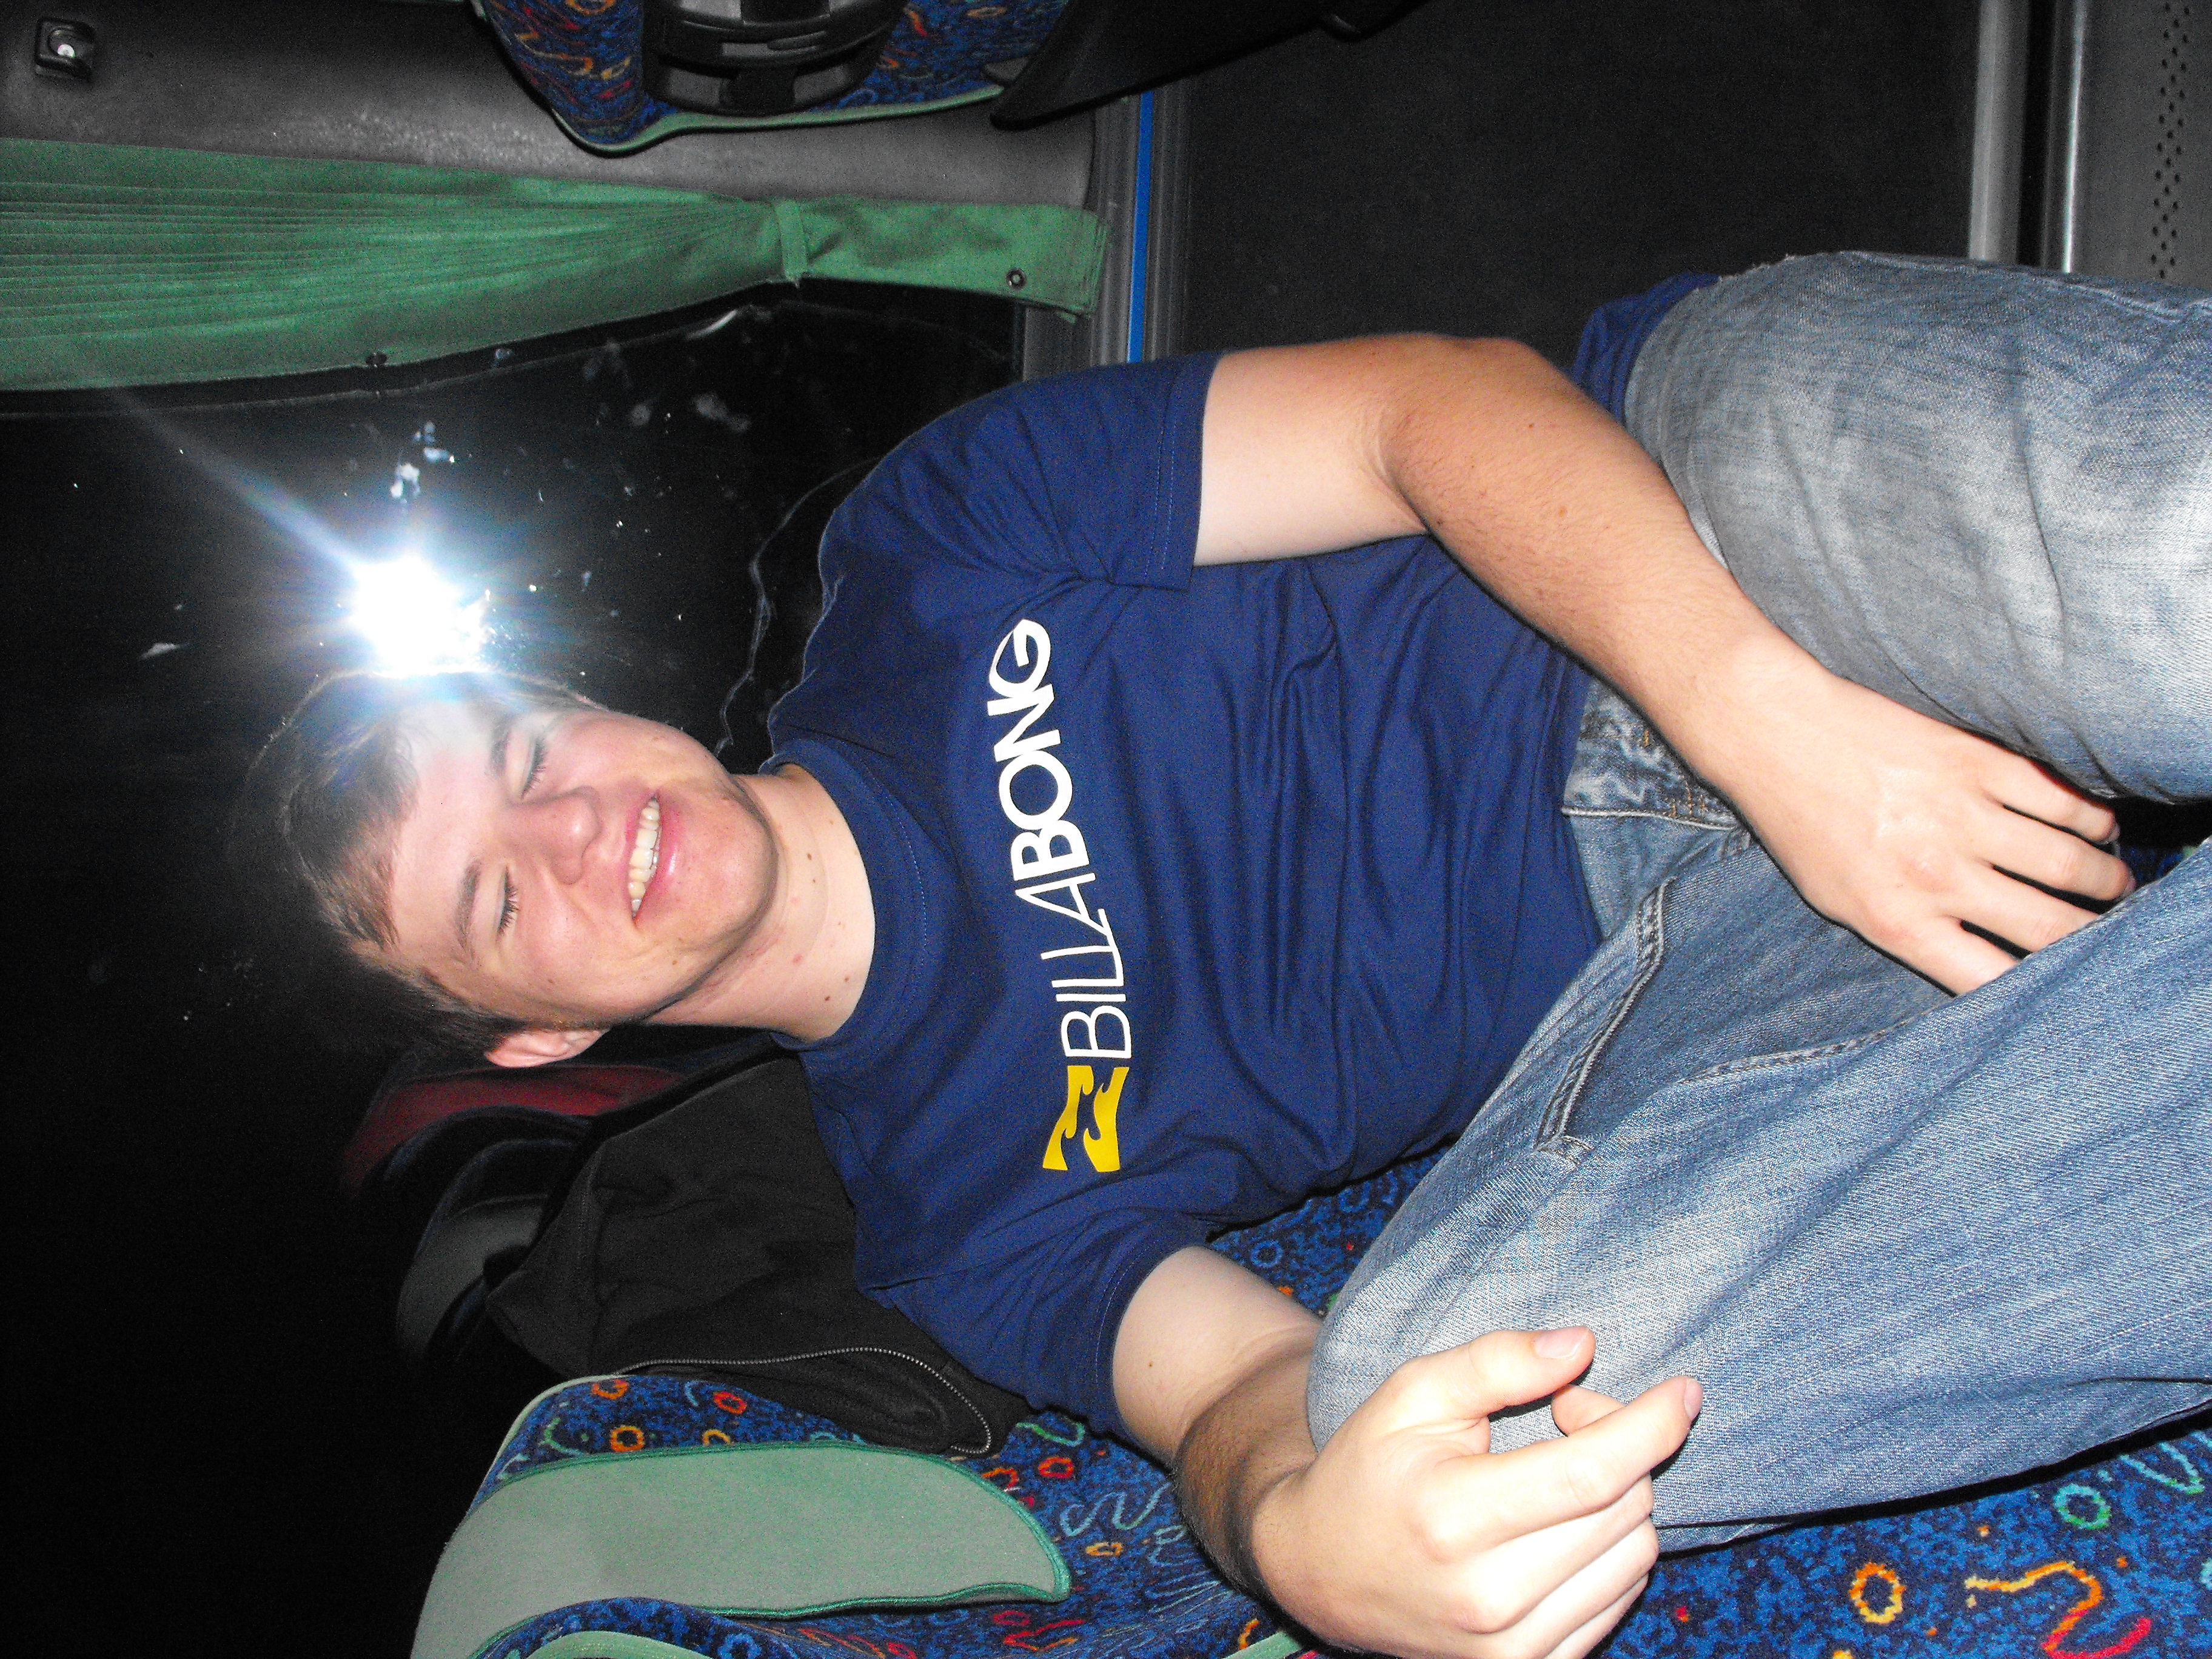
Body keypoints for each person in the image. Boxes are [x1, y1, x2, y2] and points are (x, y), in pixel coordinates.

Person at [233, 253, 2210, 1659]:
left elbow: (1433, 405)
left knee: (2171, 570)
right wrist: (1299, 1533)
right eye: (501, 901)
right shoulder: (959, 1213)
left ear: (586, 704)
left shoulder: (931, 554)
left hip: (1695, 527)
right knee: (1451, 1407)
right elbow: (1240, 1391)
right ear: (533, 1035)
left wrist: (1766, 721)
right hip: (1685, 954)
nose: (574, 830)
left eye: (528, 758)